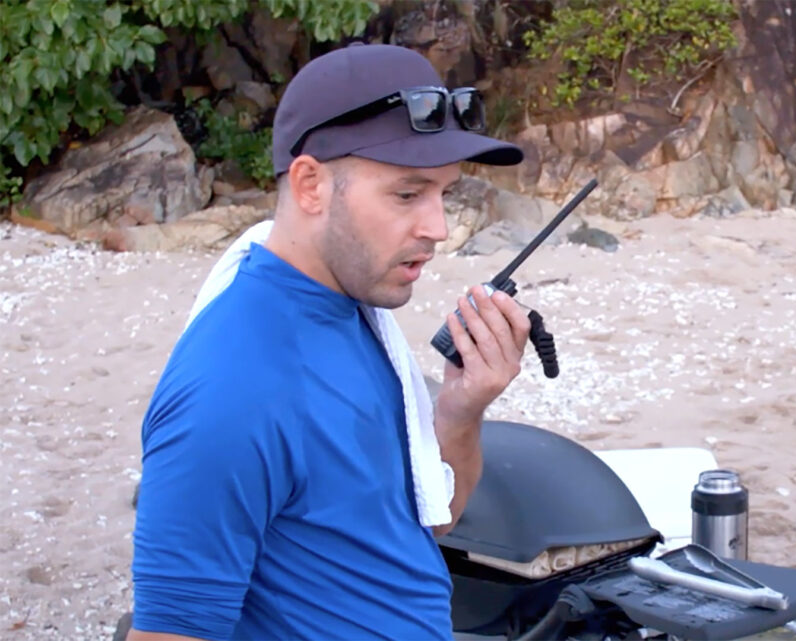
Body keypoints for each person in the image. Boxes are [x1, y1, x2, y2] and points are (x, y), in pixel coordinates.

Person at [126, 43, 531, 641]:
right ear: (311, 185)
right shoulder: (233, 390)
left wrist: (461, 408)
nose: (438, 229)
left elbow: (427, 523)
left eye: (444, 194)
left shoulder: (352, 313)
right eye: (406, 194)